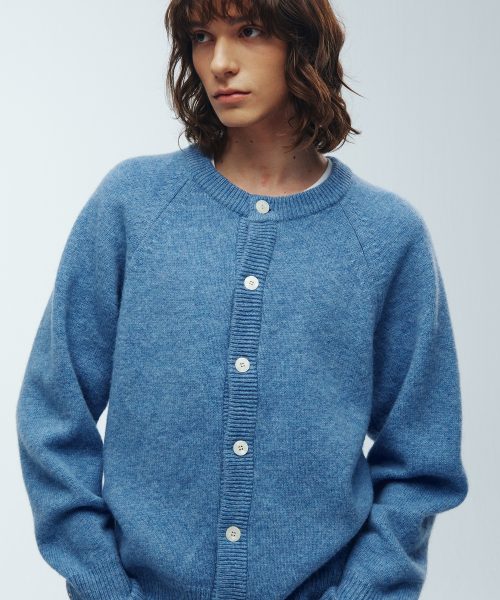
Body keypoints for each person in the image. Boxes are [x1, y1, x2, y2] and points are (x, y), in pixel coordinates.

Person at [16, 1, 469, 600]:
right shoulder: (134, 204)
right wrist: (102, 585)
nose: (219, 62)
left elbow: (420, 462)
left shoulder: (385, 235)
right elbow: (53, 414)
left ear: (302, 44)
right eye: (202, 37)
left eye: (248, 31)